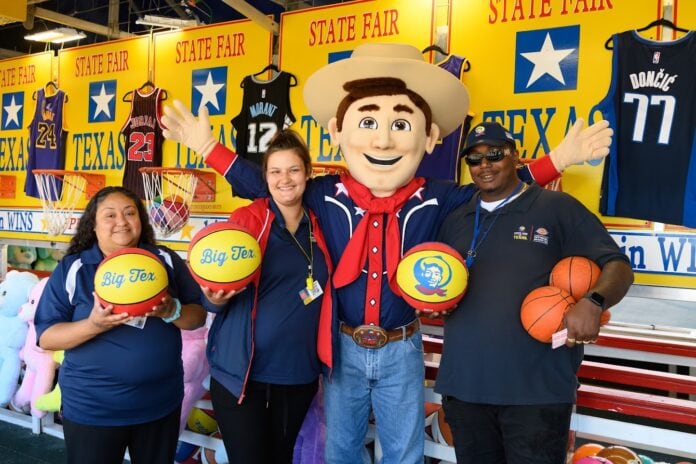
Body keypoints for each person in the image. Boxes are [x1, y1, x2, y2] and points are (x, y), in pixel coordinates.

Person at [161, 43, 613, 463]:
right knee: (342, 451)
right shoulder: (324, 192)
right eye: (369, 124)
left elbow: (498, 186)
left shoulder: (437, 197)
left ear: (429, 135)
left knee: (403, 452)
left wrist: (559, 157)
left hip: (402, 343)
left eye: (400, 125)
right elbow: (272, 184)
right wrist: (208, 148)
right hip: (343, 343)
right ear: (339, 131)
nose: (382, 142)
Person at [435, 121, 634, 464]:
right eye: (475, 159)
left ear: (514, 157)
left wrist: (593, 301)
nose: (485, 165)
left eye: (495, 155)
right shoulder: (456, 217)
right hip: (465, 386)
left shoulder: (556, 207)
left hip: (536, 392)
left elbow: (618, 265)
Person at [34, 186, 206, 464]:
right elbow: (47, 338)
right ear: (93, 225)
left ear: (141, 219)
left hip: (159, 406)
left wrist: (171, 311)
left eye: (130, 213)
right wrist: (94, 325)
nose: (122, 222)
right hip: (94, 410)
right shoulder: (73, 268)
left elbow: (197, 316)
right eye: (110, 215)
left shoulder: (164, 260)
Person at [200, 129, 332, 463]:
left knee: (280, 458)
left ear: (308, 174)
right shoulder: (248, 219)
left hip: (298, 373)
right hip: (242, 374)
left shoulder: (323, 223)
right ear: (265, 178)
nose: (284, 179)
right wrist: (215, 297)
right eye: (275, 171)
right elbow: (213, 297)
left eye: (293, 170)